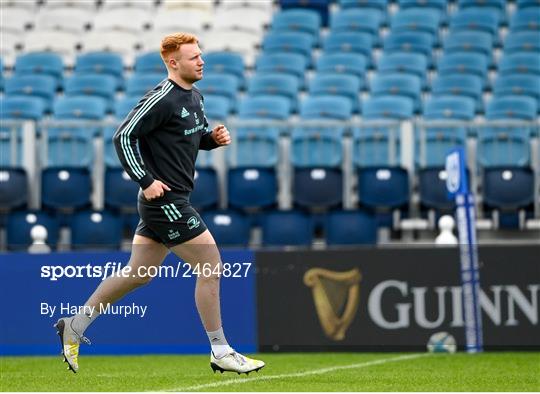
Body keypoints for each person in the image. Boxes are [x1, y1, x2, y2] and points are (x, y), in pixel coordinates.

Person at [54, 32, 265, 375]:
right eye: (194, 56)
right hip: (164, 200)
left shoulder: (194, 96)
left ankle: (74, 326)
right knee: (211, 266)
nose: (202, 61)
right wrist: (146, 181)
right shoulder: (162, 97)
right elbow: (123, 136)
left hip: (169, 199)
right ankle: (221, 351)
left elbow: (185, 140)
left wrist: (211, 140)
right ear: (173, 62)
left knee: (138, 274)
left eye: (201, 55)